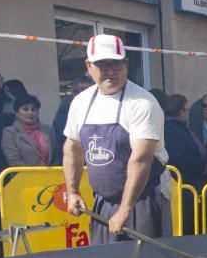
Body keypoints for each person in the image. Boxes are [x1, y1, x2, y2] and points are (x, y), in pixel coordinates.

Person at [63, 34, 169, 242]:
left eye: (116, 65)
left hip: (144, 199)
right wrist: (72, 191)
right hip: (103, 202)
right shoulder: (81, 102)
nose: (110, 72)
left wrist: (125, 208)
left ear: (126, 64)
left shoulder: (142, 103)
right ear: (89, 66)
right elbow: (72, 149)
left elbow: (141, 159)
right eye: (103, 65)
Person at [163, 93, 206, 191]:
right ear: (181, 112)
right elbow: (181, 157)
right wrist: (202, 165)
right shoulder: (174, 130)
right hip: (183, 185)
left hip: (185, 183)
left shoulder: (177, 127)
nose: (188, 112)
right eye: (187, 109)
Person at [2, 94, 56, 167]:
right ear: (16, 113)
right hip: (22, 176)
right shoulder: (10, 132)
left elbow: (55, 157)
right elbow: (14, 161)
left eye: (33, 109)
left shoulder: (48, 130)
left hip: (50, 176)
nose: (30, 113)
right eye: (25, 109)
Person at [52, 74, 93, 155]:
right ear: (75, 93)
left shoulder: (98, 105)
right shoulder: (67, 106)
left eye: (91, 90)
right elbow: (62, 136)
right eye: (84, 90)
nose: (89, 93)